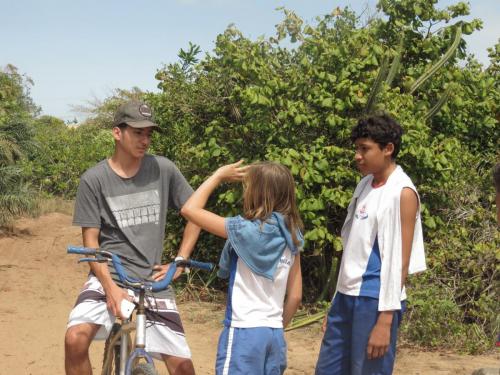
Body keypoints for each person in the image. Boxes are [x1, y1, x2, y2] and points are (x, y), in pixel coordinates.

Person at [64, 100, 201, 375]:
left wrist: (181, 260)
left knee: (184, 368)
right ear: (117, 133)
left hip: (153, 280)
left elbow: (195, 213)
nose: (145, 140)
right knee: (75, 340)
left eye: (149, 133)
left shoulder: (164, 169)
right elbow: (91, 243)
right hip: (109, 274)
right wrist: (110, 288)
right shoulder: (94, 179)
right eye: (138, 132)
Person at [315, 114, 426, 375]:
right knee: (327, 369)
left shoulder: (402, 193)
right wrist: (335, 304)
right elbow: (354, 248)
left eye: (365, 149)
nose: (357, 156)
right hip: (346, 297)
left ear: (388, 149)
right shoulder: (365, 184)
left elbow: (400, 260)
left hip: (375, 299)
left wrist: (385, 320)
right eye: (357, 148)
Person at [180, 160, 303, 375]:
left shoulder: (244, 230)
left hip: (244, 332)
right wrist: (277, 327)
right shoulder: (292, 236)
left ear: (257, 193)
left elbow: (189, 209)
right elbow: (295, 297)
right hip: (274, 335)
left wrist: (217, 175)